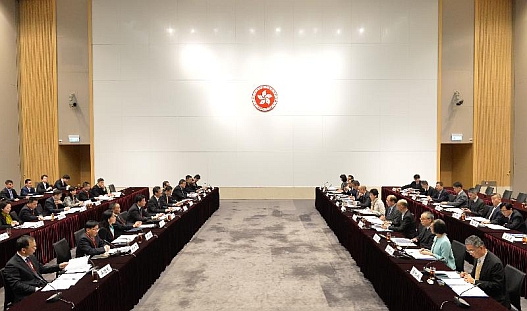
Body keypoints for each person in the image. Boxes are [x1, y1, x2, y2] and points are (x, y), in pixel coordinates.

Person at [4, 235, 67, 303]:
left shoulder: (31, 256)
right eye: (33, 247)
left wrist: (58, 267)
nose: (35, 248)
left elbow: (41, 269)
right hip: (28, 294)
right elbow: (16, 285)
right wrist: (35, 289)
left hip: (42, 285)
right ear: (23, 250)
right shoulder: (12, 265)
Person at [460, 235, 510, 309]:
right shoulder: (477, 257)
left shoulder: (495, 263)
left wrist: (475, 282)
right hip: (480, 291)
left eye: (471, 250)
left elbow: (497, 286)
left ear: (481, 248)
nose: (470, 253)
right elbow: (477, 275)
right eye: (468, 251)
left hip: (494, 298)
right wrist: (467, 275)